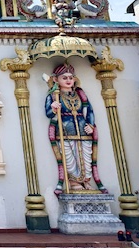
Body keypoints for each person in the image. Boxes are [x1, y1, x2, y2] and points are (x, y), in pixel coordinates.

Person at [45, 63, 107, 195]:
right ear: (56, 79)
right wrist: (54, 108)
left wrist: (90, 125)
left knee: (86, 158)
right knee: (70, 159)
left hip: (83, 131)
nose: (68, 80)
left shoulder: (80, 95)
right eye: (64, 78)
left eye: (70, 77)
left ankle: (86, 181)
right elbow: (49, 113)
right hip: (65, 131)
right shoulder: (53, 95)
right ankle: (74, 183)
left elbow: (89, 110)